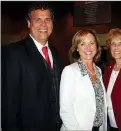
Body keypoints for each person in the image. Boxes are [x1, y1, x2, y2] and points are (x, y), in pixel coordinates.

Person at [2, 3, 63, 131]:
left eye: (48, 20)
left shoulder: (57, 54)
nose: (43, 24)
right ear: (29, 23)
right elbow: (9, 104)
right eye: (38, 20)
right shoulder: (14, 53)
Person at [59, 29, 107, 131]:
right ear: (76, 48)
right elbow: (65, 110)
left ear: (96, 46)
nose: (88, 47)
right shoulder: (70, 71)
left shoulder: (98, 70)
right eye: (82, 44)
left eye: (91, 43)